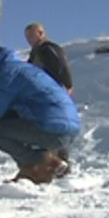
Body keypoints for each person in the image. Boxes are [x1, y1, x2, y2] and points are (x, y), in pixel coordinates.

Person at [0, 41, 80, 184]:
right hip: (65, 127)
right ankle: (43, 166)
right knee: (5, 121)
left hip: (54, 131)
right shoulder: (18, 68)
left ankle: (42, 163)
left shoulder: (4, 73)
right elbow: (1, 111)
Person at [24, 22, 74, 172]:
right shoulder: (36, 53)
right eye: (27, 37)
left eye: (32, 35)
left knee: (55, 129)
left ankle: (61, 164)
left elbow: (61, 68)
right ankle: (52, 164)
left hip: (52, 96)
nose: (29, 40)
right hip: (43, 97)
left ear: (41, 33)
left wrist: (67, 85)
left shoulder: (47, 49)